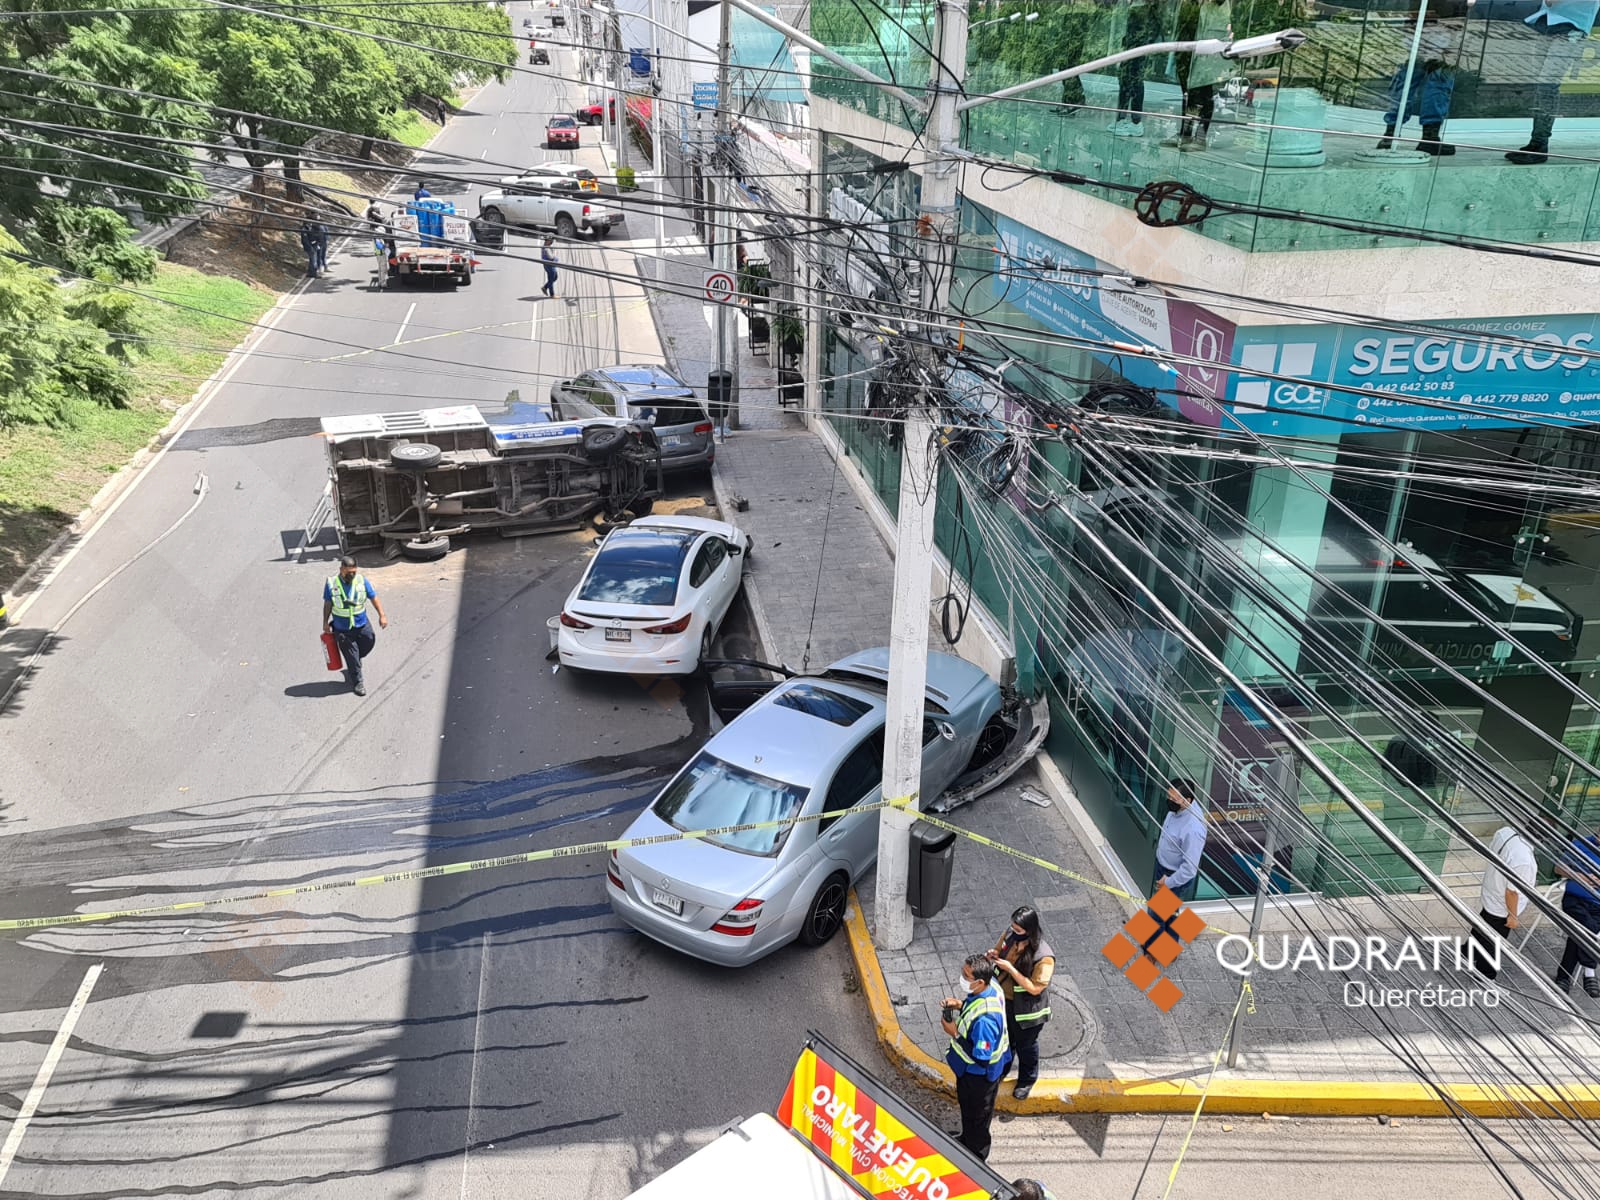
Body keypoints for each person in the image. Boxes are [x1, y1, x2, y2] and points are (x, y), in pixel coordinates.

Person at [1495, 0, 1600, 165]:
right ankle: (1536, 142)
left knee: (1547, 85)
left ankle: (1540, 144)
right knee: (1542, 86)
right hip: (1545, 22)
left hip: (1572, 27)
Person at [941, 952, 1011, 1161]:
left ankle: (976, 1155)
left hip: (979, 1077)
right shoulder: (991, 988)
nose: (962, 978)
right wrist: (960, 1005)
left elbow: (982, 1057)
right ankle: (966, 1140)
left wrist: (954, 1032)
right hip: (975, 1074)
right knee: (970, 1112)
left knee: (977, 1116)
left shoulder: (986, 1020)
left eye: (966, 975)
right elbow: (975, 1006)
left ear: (980, 981)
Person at [988, 905, 1054, 1100]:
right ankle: (1003, 1070)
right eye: (1013, 928)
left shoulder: (1044, 957)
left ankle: (1027, 1080)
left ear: (1030, 930)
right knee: (1006, 1041)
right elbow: (1000, 950)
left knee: (1026, 1046)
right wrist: (994, 955)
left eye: (1019, 930)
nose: (1013, 932)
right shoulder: (1010, 935)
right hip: (1004, 1002)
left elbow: (1035, 988)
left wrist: (1011, 969)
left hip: (1026, 1010)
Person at [1470, 824, 1538, 981]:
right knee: (1493, 942)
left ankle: (1468, 952)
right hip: (1501, 905)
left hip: (1491, 888)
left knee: (1483, 925)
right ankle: (1485, 976)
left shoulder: (1505, 832)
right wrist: (1513, 916)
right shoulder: (1524, 861)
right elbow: (1512, 892)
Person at [1164, 0, 1232, 151]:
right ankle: (1185, 133)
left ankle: (1200, 137)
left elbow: (1220, 20)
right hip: (1187, 48)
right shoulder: (1189, 3)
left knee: (1205, 92)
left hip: (1208, 48)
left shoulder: (1217, 4)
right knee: (1187, 93)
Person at [322, 556, 388, 696]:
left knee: (369, 641)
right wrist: (325, 622)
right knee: (352, 656)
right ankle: (358, 681)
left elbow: (373, 597)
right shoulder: (331, 583)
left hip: (361, 623)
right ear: (341, 570)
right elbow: (328, 603)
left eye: (354, 572)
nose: (351, 575)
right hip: (342, 628)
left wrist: (382, 615)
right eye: (348, 572)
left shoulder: (361, 581)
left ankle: (356, 660)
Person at [1553, 827, 1600, 996]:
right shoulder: (1581, 844)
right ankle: (1589, 971)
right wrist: (1581, 876)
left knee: (1578, 934)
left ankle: (1563, 977)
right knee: (1588, 929)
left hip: (1598, 904)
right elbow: (1558, 868)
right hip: (1575, 899)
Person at [1154, 776, 1207, 902]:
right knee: (1170, 915)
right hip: (1162, 867)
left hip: (1174, 877)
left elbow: (1190, 869)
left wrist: (1168, 882)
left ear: (1187, 800)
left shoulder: (1193, 829)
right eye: (1169, 796)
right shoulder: (1178, 808)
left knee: (1156, 916)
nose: (1169, 800)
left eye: (1174, 799)